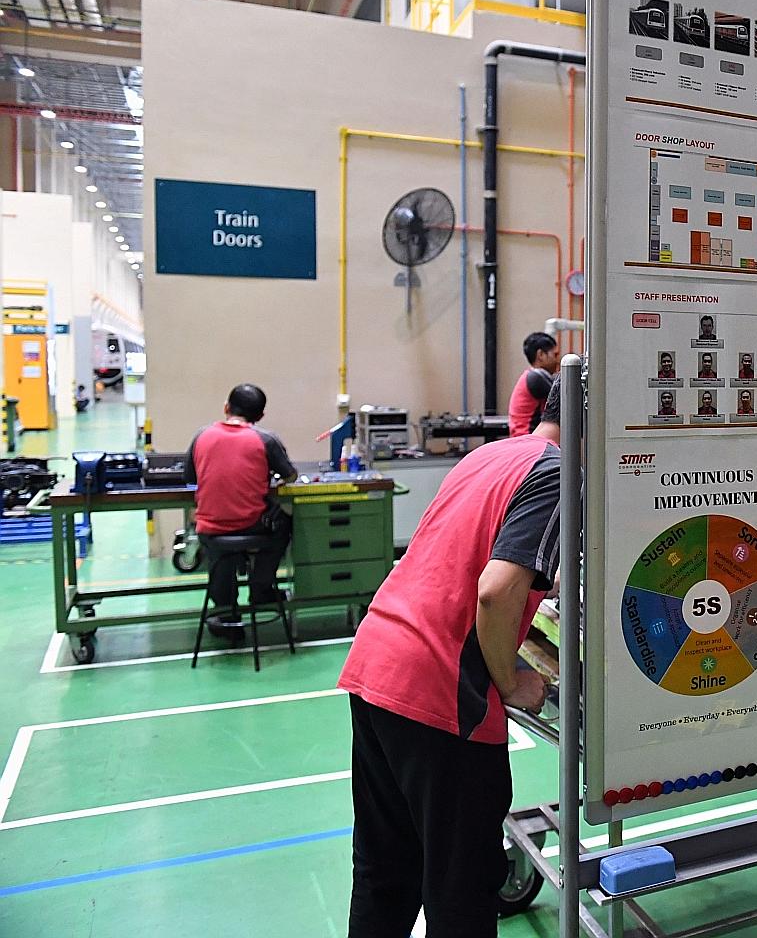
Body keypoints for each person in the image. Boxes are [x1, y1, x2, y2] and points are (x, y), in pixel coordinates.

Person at [338, 372, 566, 937]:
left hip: (378, 664)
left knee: (384, 874)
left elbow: (456, 561)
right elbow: (495, 590)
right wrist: (511, 681)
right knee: (461, 889)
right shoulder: (561, 474)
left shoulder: (494, 455)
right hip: (441, 693)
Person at [184, 384, 298, 634]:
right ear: (260, 417)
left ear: (226, 408)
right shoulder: (265, 439)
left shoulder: (202, 436)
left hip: (210, 527)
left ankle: (225, 612)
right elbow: (290, 475)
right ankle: (261, 590)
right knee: (283, 526)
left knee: (220, 551)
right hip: (253, 525)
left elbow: (190, 476)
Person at [507, 331, 560, 434]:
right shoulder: (536, 378)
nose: (558, 360)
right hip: (527, 440)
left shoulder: (531, 376)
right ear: (540, 355)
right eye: (555, 354)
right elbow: (567, 399)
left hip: (525, 440)